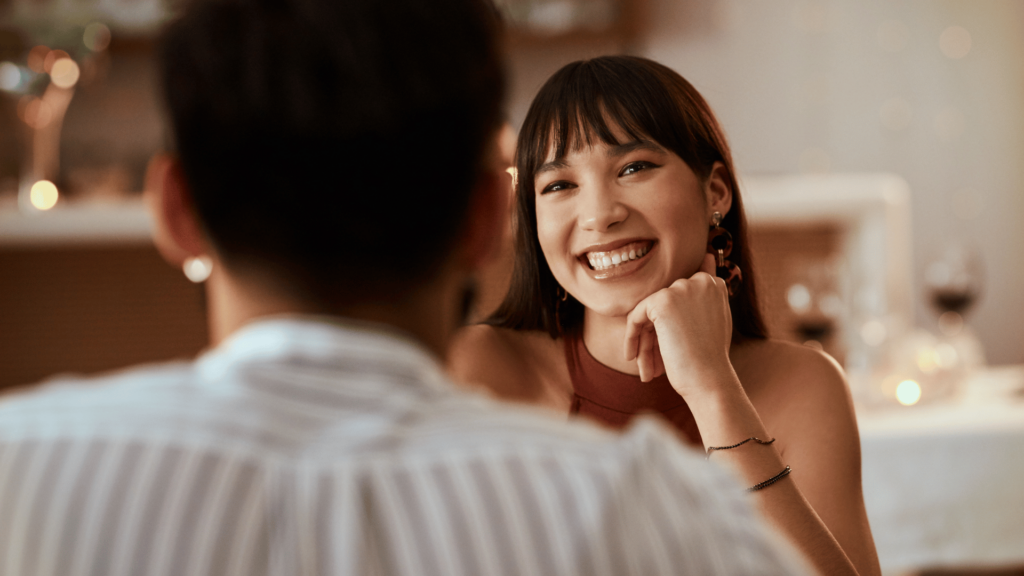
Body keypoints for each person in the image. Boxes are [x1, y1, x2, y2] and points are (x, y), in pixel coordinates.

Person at [0, 1, 810, 575]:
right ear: (493, 215)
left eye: (633, 166)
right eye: (559, 184)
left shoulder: (19, 468)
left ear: (175, 213)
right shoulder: (640, 509)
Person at [449, 55, 882, 576]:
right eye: (559, 185)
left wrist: (712, 387)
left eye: (633, 168)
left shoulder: (805, 384)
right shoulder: (479, 370)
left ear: (715, 192)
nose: (599, 214)